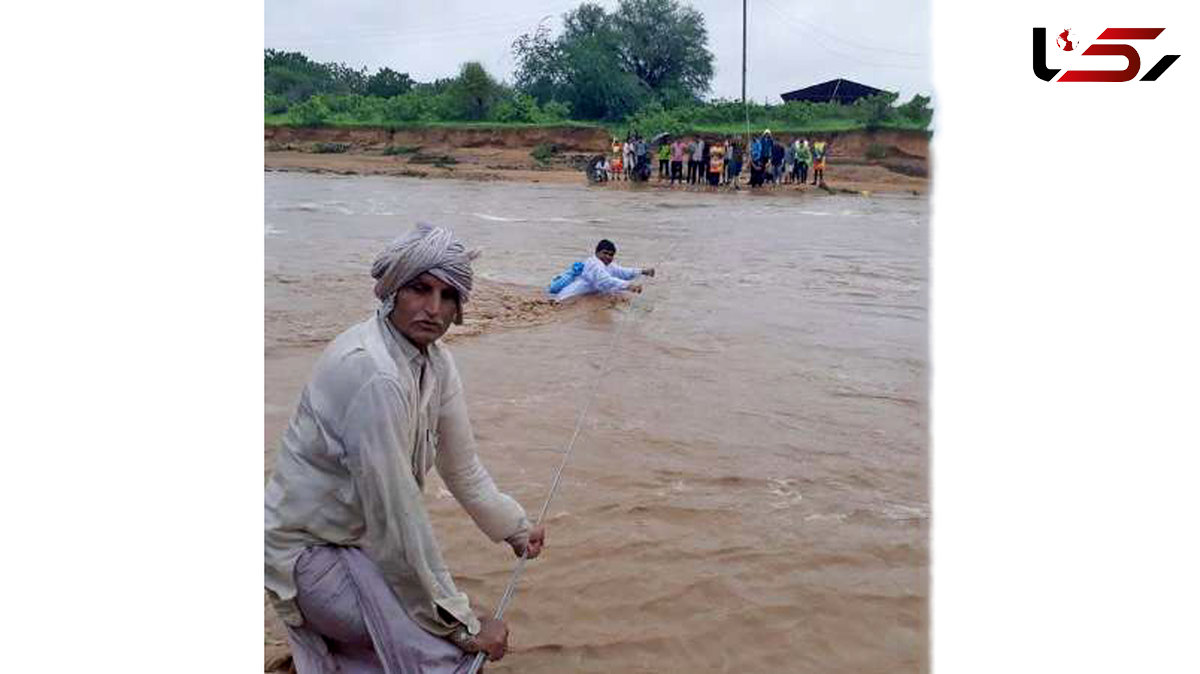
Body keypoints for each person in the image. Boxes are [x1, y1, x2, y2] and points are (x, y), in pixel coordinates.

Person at [265, 224, 547, 674]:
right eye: (420, 289)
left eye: (448, 295)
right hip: (310, 557)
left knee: (430, 624)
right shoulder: (373, 373)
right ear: (392, 290)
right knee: (450, 656)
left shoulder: (436, 362)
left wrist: (514, 526)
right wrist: (462, 625)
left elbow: (463, 468)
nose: (433, 309)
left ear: (459, 309)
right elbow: (398, 517)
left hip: (363, 545)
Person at [549, 239, 655, 302]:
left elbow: (623, 272)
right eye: (605, 253)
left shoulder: (608, 265)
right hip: (567, 299)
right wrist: (629, 286)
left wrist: (643, 271)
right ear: (597, 253)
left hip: (579, 297)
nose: (608, 257)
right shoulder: (594, 264)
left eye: (611, 255)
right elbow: (605, 280)